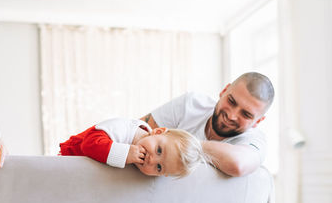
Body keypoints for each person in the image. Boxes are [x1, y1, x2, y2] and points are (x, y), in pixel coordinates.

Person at [141, 72, 274, 177]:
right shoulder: (191, 104)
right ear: (224, 91)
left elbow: (238, 164)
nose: (232, 115)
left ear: (257, 122)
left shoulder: (255, 140)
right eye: (231, 101)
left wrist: (179, 144)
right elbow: (137, 130)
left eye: (246, 114)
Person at [59, 118, 205, 177]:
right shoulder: (123, 128)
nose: (152, 160)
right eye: (159, 150)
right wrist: (125, 153)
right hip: (68, 158)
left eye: (159, 168)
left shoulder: (150, 150)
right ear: (158, 131)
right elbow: (89, 145)